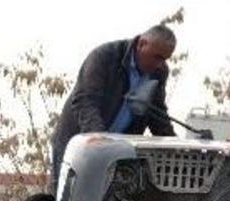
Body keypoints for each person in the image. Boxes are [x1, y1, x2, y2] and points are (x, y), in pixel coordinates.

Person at [50, 25, 177, 188]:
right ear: (141, 44)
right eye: (157, 57)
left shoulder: (159, 73)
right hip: (77, 145)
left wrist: (174, 148)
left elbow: (157, 116)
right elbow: (85, 101)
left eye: (164, 59)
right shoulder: (104, 57)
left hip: (117, 152)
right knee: (66, 200)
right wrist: (100, 140)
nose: (159, 64)